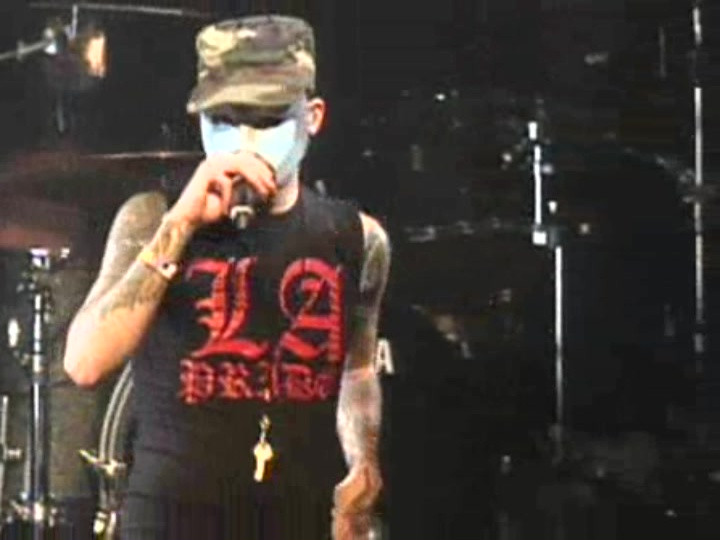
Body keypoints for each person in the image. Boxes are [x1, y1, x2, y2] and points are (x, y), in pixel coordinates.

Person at [63, 14, 390, 540]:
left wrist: (363, 463)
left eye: (267, 121)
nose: (243, 142)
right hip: (172, 519)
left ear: (312, 118)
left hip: (294, 515)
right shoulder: (153, 217)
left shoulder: (356, 238)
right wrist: (181, 223)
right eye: (222, 121)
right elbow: (84, 362)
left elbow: (358, 369)